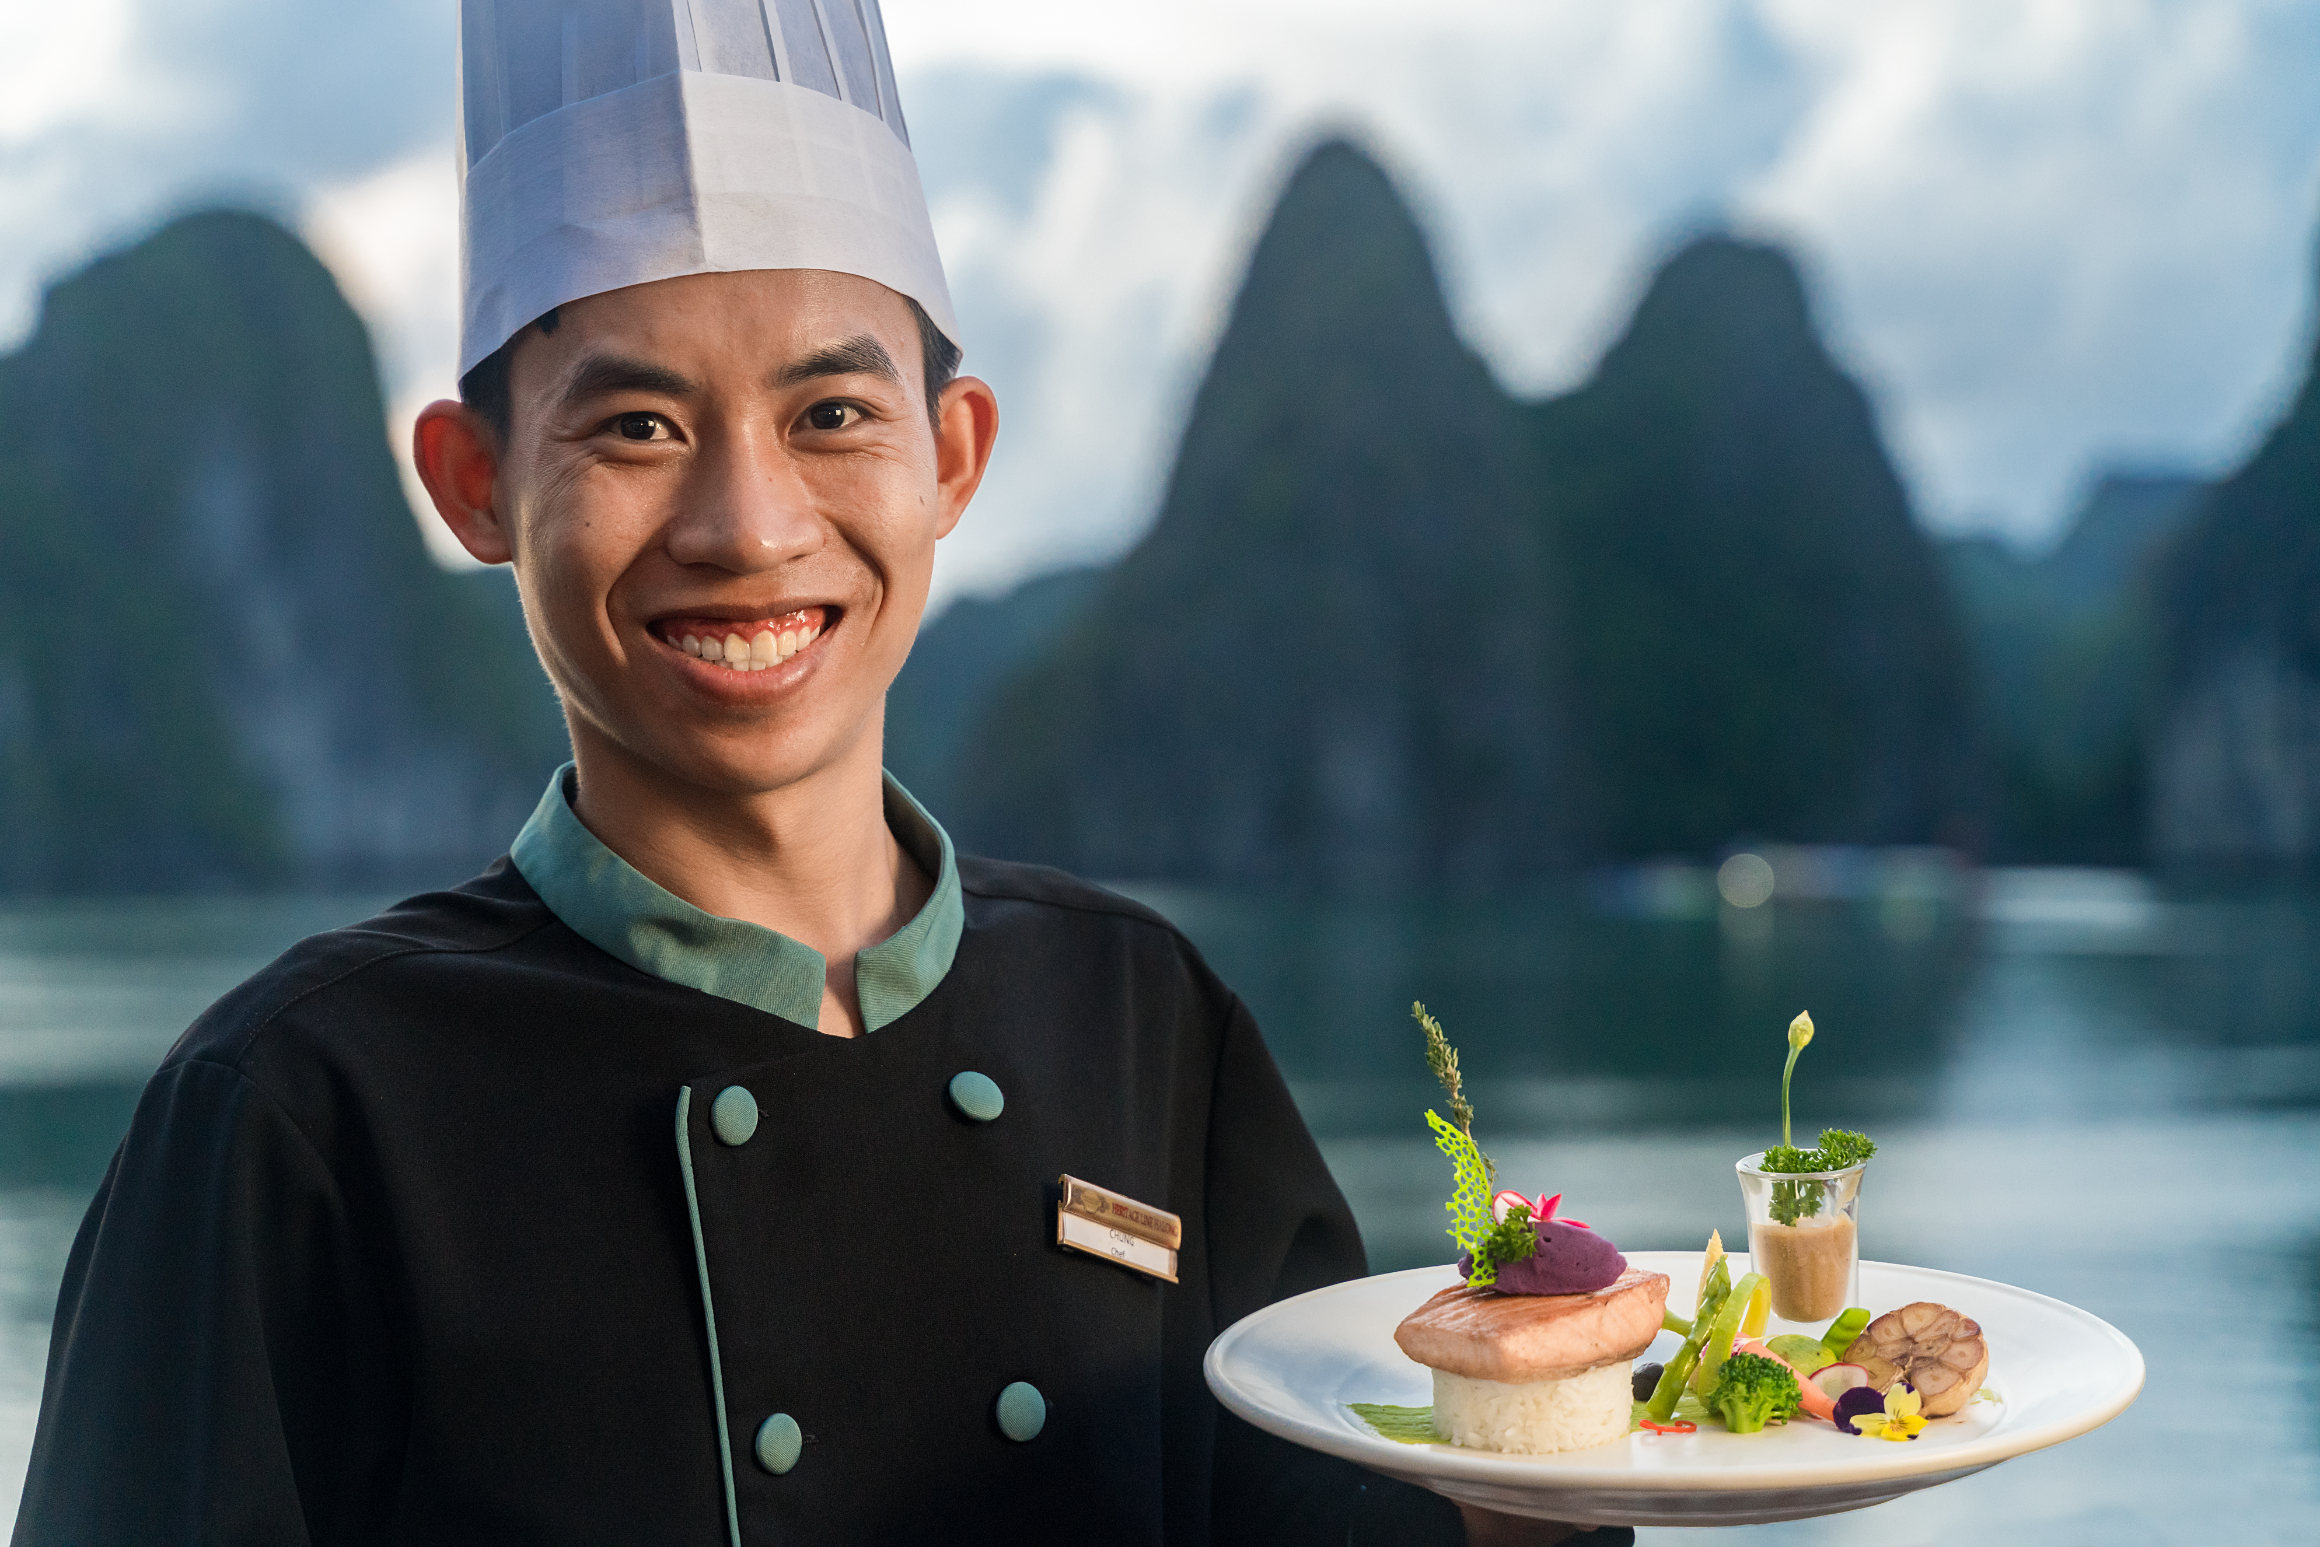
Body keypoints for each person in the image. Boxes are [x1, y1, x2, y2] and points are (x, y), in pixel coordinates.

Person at [14, 5, 1626, 1543]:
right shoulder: (297, 1111)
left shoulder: (1148, 1019)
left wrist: (1589, 1444)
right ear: (476, 481)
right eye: (636, 427)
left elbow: (1327, 1522)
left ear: (951, 458)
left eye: (833, 412)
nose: (747, 527)